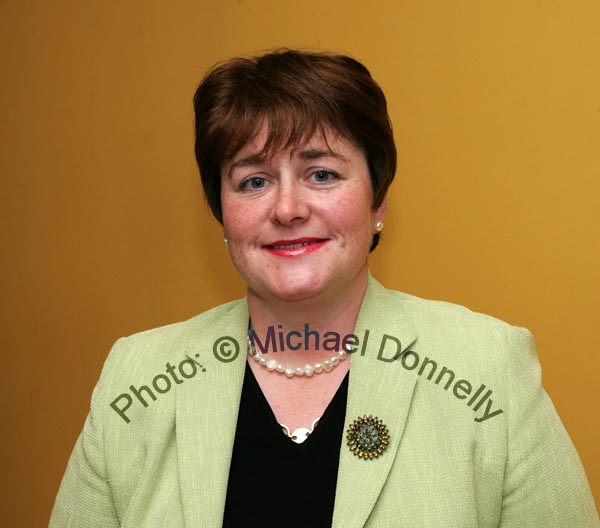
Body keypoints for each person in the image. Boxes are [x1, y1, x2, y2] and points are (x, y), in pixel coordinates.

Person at [50, 49, 599, 527]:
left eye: (322, 174)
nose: (287, 209)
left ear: (378, 201)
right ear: (222, 214)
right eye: (254, 181)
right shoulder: (138, 376)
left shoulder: (488, 370)